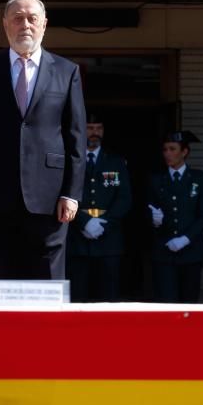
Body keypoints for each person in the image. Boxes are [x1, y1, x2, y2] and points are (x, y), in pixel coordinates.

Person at [0, 0, 86, 280]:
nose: (25, 24)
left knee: (48, 277)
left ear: (44, 24)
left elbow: (75, 138)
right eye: (17, 18)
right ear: (5, 25)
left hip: (50, 196)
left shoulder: (67, 72)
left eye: (32, 18)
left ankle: (48, 327)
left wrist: (71, 193)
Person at [67, 114, 131, 301]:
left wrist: (104, 224)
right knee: (78, 297)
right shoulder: (71, 159)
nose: (95, 133)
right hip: (78, 240)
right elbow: (62, 195)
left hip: (109, 241)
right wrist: (84, 222)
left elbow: (124, 198)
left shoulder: (116, 161)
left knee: (107, 298)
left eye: (99, 128)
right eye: (90, 128)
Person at [148, 130, 203, 303]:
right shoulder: (156, 179)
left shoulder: (199, 179)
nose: (168, 154)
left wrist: (186, 238)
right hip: (163, 252)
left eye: (173, 149)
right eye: (165, 149)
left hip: (191, 252)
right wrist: (154, 220)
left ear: (184, 152)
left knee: (189, 304)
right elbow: (147, 209)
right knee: (166, 304)